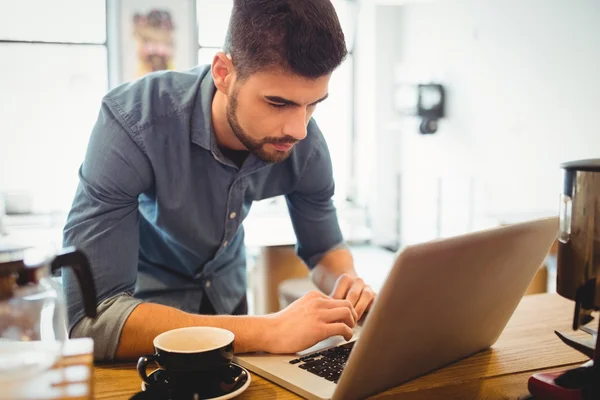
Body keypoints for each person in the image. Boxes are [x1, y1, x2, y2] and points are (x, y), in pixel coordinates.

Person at [63, 0, 376, 361]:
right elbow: (94, 320)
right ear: (224, 72)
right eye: (277, 102)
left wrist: (346, 284)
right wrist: (269, 329)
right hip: (144, 326)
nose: (298, 129)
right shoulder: (133, 123)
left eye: (313, 104)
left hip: (229, 302)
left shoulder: (304, 142)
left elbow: (324, 248)